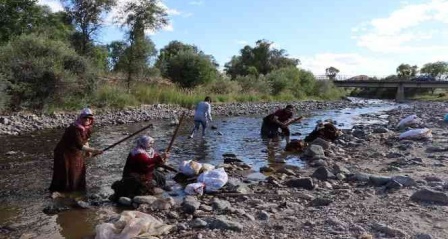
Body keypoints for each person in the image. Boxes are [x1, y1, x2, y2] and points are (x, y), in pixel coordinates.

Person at [49, 108, 103, 193]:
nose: (87, 120)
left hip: (75, 152)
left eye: (90, 118)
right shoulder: (74, 129)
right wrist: (94, 150)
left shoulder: (88, 128)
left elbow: (85, 140)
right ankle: (63, 191)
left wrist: (88, 151)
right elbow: (80, 145)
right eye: (85, 118)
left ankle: (77, 190)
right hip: (64, 153)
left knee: (79, 169)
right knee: (66, 172)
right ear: (81, 118)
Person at [111, 135, 170, 199]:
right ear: (144, 143)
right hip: (134, 174)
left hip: (146, 172)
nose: (152, 145)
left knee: (160, 177)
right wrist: (160, 157)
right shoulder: (137, 152)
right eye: (150, 143)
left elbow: (155, 161)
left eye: (152, 143)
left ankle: (161, 187)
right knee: (142, 185)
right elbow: (146, 162)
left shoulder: (151, 150)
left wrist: (162, 159)